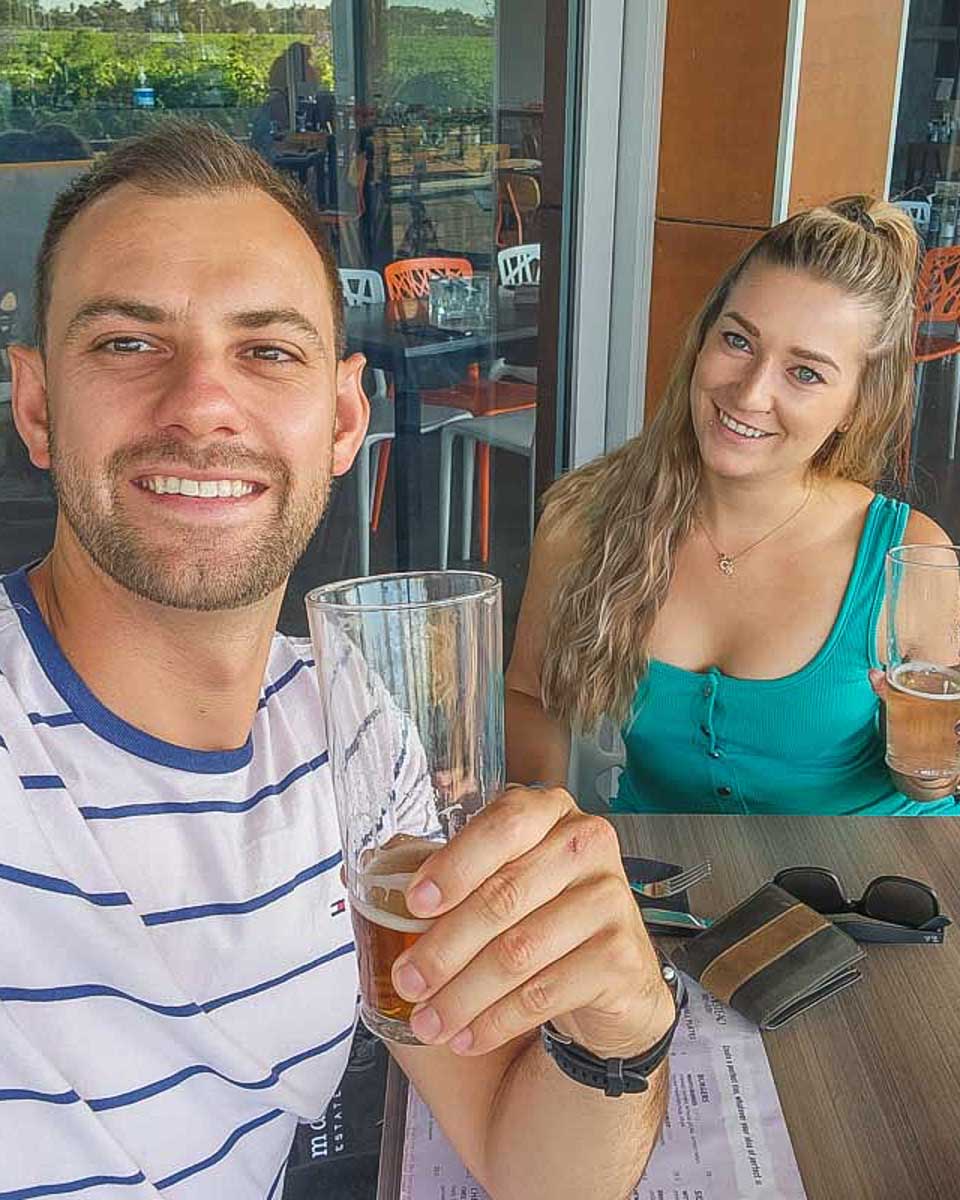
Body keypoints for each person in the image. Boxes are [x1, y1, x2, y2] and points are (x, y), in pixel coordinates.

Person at [1, 120, 677, 1199]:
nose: (203, 405)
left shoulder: (349, 715)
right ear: (37, 404)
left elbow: (529, 1160)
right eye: (128, 343)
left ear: (344, 417)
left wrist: (624, 1032)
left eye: (267, 350)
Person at [506, 196, 960, 817]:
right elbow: (530, 695)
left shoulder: (908, 556)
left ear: (856, 405)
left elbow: (929, 773)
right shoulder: (585, 521)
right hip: (666, 892)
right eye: (739, 340)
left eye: (806, 373)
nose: (750, 392)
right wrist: (542, 811)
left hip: (873, 893)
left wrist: (932, 769)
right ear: (702, 340)